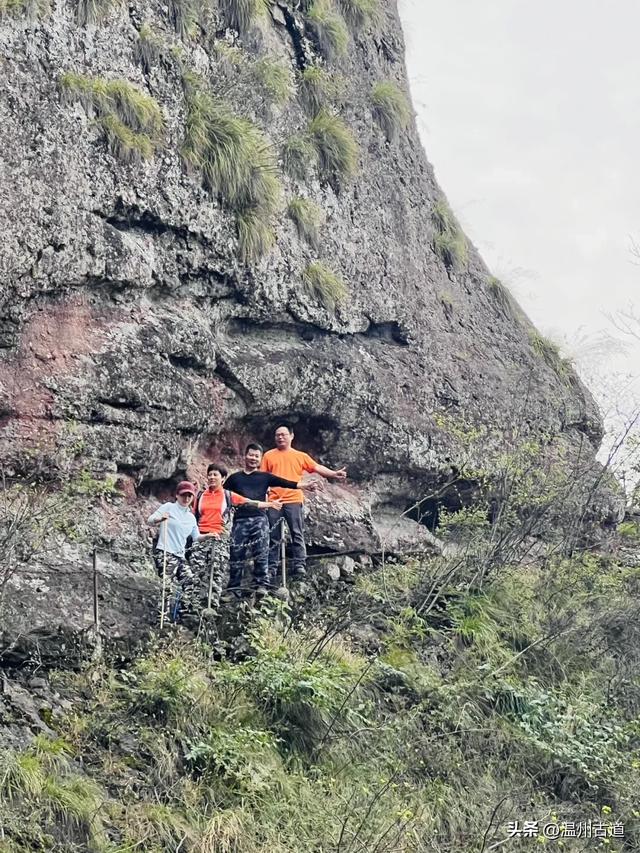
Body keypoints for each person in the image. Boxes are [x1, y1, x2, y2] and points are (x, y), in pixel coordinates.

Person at [225, 442, 315, 598]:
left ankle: (261, 585)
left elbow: (285, 482)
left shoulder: (264, 477)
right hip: (240, 520)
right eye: (251, 455)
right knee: (236, 553)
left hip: (260, 518)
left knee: (261, 551)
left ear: (260, 459)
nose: (253, 458)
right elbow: (223, 495)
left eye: (256, 456)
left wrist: (304, 485)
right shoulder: (235, 478)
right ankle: (234, 589)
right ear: (245, 456)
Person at [260, 424, 347, 581]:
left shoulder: (300, 456)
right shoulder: (268, 456)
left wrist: (334, 473)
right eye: (277, 435)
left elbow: (316, 467)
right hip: (274, 501)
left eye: (283, 434)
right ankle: (271, 568)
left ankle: (299, 564)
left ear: (291, 436)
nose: (280, 437)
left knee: (296, 533)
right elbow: (262, 477)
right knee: (273, 535)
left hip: (293, 499)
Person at [190, 463, 281, 612]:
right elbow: (193, 516)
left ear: (223, 478)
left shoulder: (228, 495)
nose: (212, 477)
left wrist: (270, 504)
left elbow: (249, 502)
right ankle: (193, 606)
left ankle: (212, 606)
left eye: (216, 475)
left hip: (220, 538)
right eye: (210, 474)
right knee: (197, 571)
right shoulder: (200, 495)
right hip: (201, 537)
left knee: (216, 572)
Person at [147, 481, 201, 621]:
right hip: (165, 551)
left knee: (190, 580)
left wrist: (210, 536)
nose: (187, 498)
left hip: (180, 555)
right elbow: (150, 520)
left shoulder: (191, 517)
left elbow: (196, 537)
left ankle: (183, 613)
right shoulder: (169, 507)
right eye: (184, 495)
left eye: (190, 495)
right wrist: (160, 518)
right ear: (177, 495)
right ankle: (162, 617)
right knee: (167, 584)